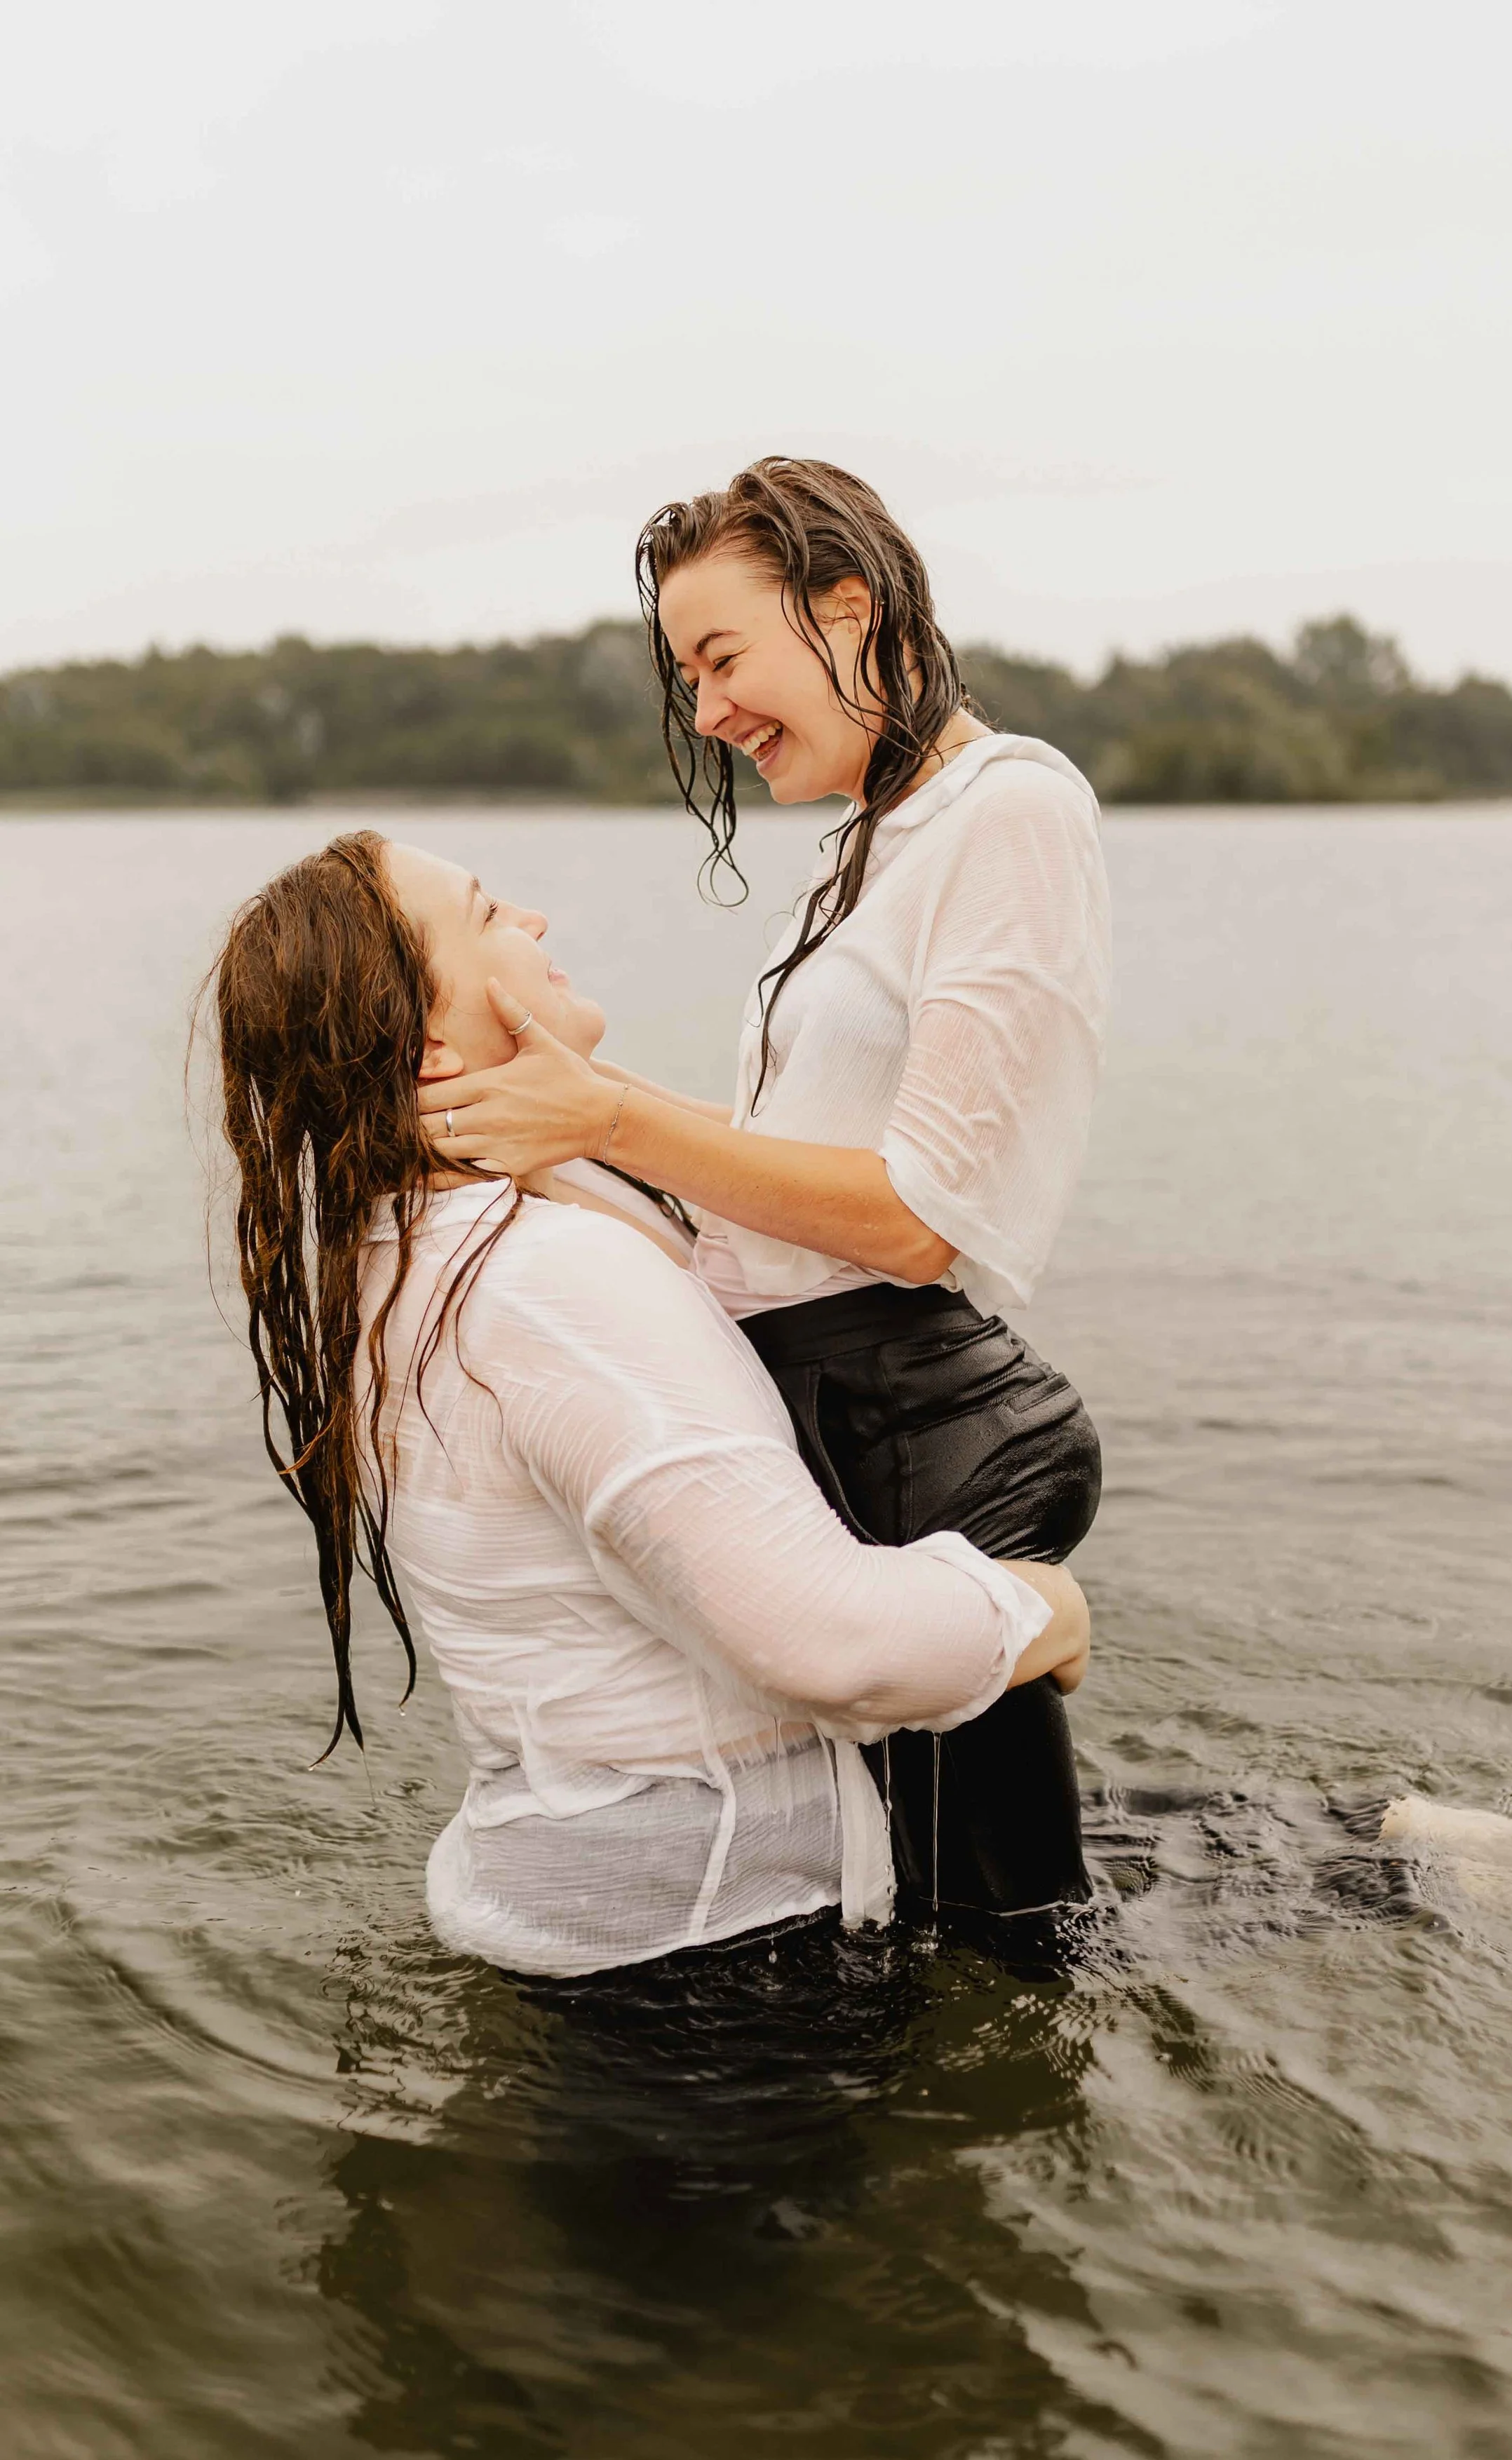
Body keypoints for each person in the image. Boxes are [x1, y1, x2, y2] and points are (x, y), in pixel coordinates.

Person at [205, 830, 1091, 1982]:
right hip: (715, 1962)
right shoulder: (547, 1281)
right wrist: (1040, 1612)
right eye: (484, 916)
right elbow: (825, 1641)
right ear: (433, 1051)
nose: (531, 919)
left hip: (593, 1915)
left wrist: (587, 1115)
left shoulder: (392, 1254)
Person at [420, 458, 1110, 1929]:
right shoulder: (868, 854)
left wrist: (610, 1112)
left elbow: (922, 1216)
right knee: (941, 1888)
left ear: (846, 607)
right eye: (686, 677)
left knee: (1009, 1926)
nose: (706, 713)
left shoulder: (1010, 810)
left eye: (721, 656)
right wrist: (549, 1153)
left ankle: (1446, 1875)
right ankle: (1406, 1848)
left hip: (924, 1431)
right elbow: (752, 1240)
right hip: (829, 1423)